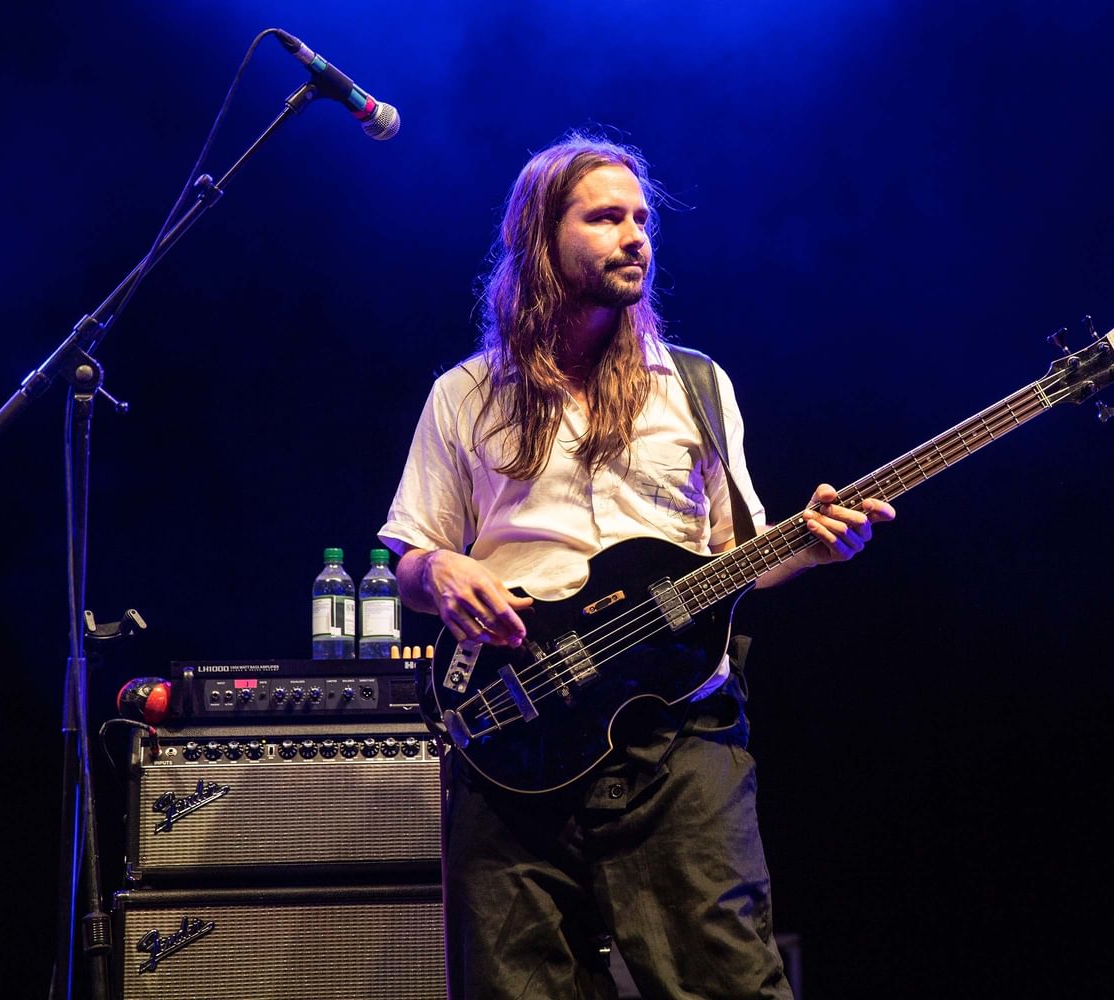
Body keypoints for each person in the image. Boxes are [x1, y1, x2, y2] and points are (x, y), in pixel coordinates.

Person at [378, 133, 894, 1000]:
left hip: (675, 737)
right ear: (542, 239)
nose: (635, 236)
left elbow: (738, 560)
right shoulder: (465, 394)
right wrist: (438, 573)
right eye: (606, 218)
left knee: (726, 983)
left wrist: (812, 546)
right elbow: (411, 560)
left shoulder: (693, 385)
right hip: (516, 728)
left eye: (642, 218)